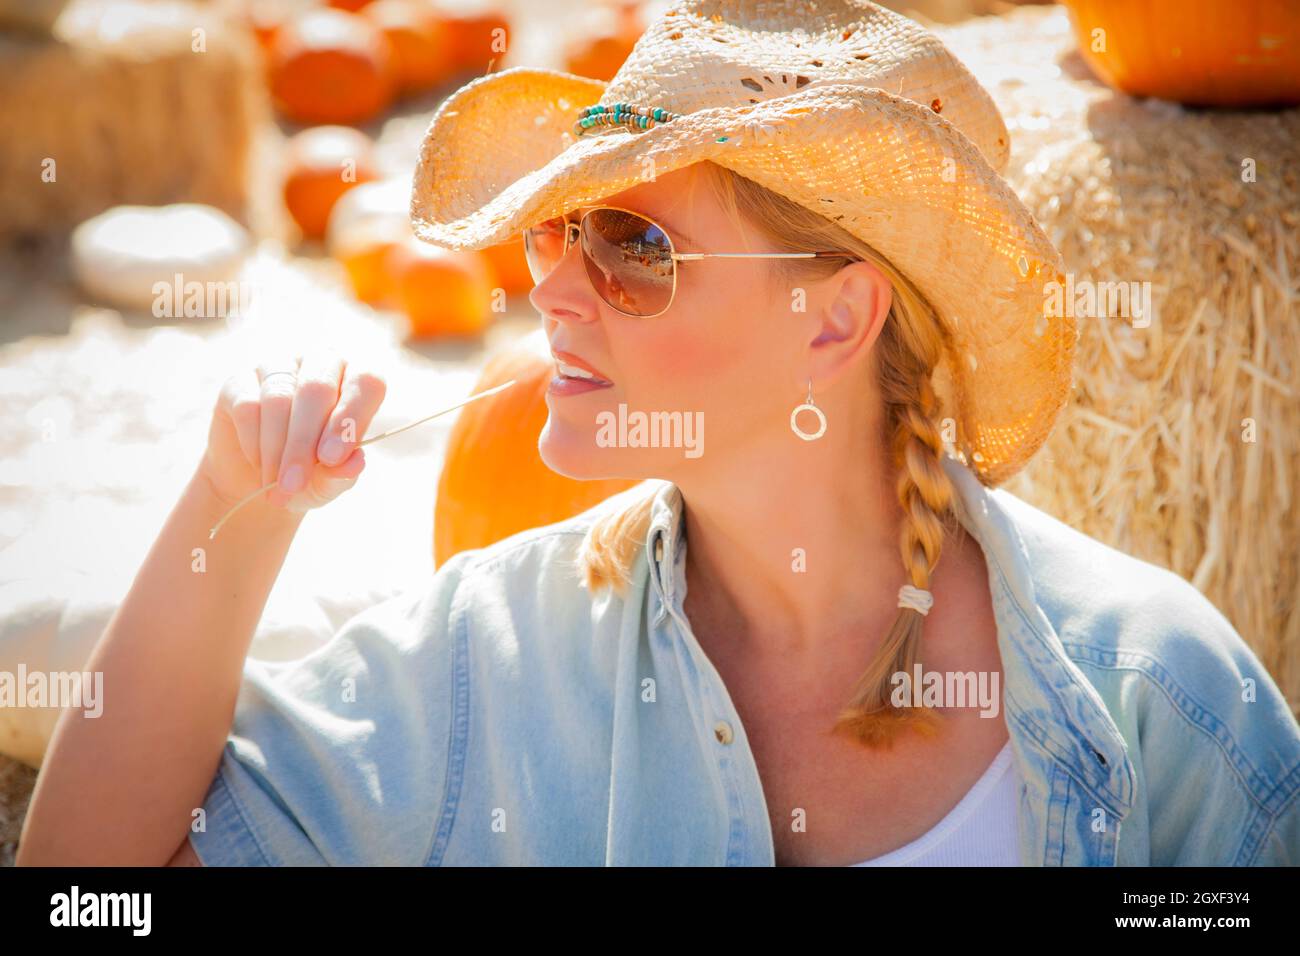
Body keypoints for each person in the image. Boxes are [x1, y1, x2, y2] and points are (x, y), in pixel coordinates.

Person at [18, 0, 1300, 867]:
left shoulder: (1154, 690)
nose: (554, 289)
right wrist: (229, 512)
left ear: (833, 319)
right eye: (555, 229)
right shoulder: (492, 653)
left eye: (635, 245)